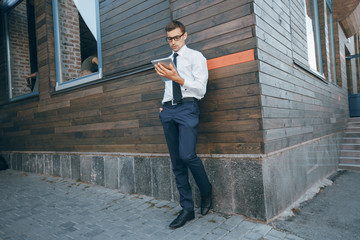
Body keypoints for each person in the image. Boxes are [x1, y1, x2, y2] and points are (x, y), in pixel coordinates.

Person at [154, 20, 212, 229]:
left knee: (188, 155)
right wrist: (163, 106)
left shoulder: (196, 57)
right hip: (169, 110)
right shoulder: (167, 60)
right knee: (177, 162)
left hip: (188, 108)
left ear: (185, 35)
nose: (173, 42)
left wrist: (178, 78)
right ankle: (187, 208)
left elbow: (201, 89)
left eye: (177, 37)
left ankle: (206, 191)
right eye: (170, 39)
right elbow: (168, 88)